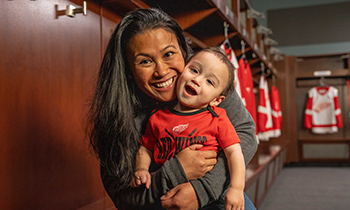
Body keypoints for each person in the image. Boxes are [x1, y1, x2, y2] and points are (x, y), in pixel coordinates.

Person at [88, 7, 257, 210]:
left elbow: (245, 134)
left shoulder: (208, 80)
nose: (161, 71)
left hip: (216, 196)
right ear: (129, 70)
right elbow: (123, 197)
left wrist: (201, 191)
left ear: (183, 52)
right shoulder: (118, 115)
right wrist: (177, 170)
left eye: (168, 54)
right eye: (145, 61)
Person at [130, 47, 246, 210]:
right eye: (194, 70)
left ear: (216, 100)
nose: (197, 80)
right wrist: (141, 169)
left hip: (211, 198)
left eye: (209, 81)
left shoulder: (217, 118)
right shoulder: (157, 117)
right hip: (167, 195)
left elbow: (235, 152)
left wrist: (236, 188)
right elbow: (146, 148)